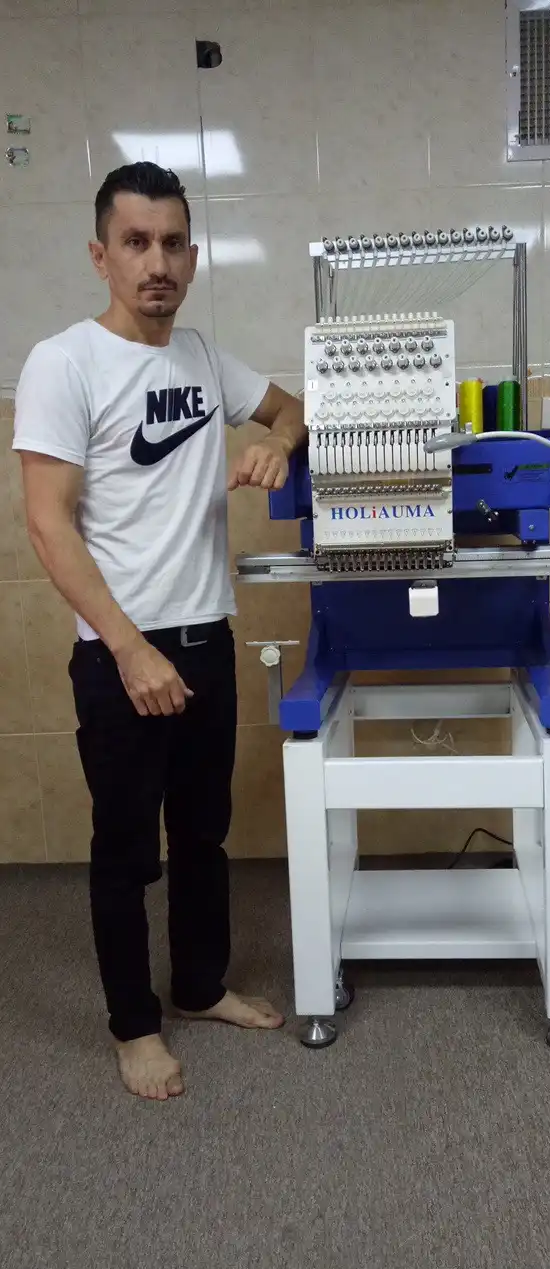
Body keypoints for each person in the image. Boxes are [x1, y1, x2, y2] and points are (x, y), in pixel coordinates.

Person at [13, 162, 307, 1101]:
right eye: (136, 243)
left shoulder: (204, 359)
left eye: (174, 243)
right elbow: (48, 526)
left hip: (206, 635)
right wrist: (129, 648)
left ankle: (199, 987)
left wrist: (275, 443)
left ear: (193, 255)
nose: (158, 263)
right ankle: (133, 1027)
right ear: (100, 256)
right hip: (120, 652)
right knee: (127, 850)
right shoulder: (64, 362)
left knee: (203, 834)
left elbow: (293, 410)